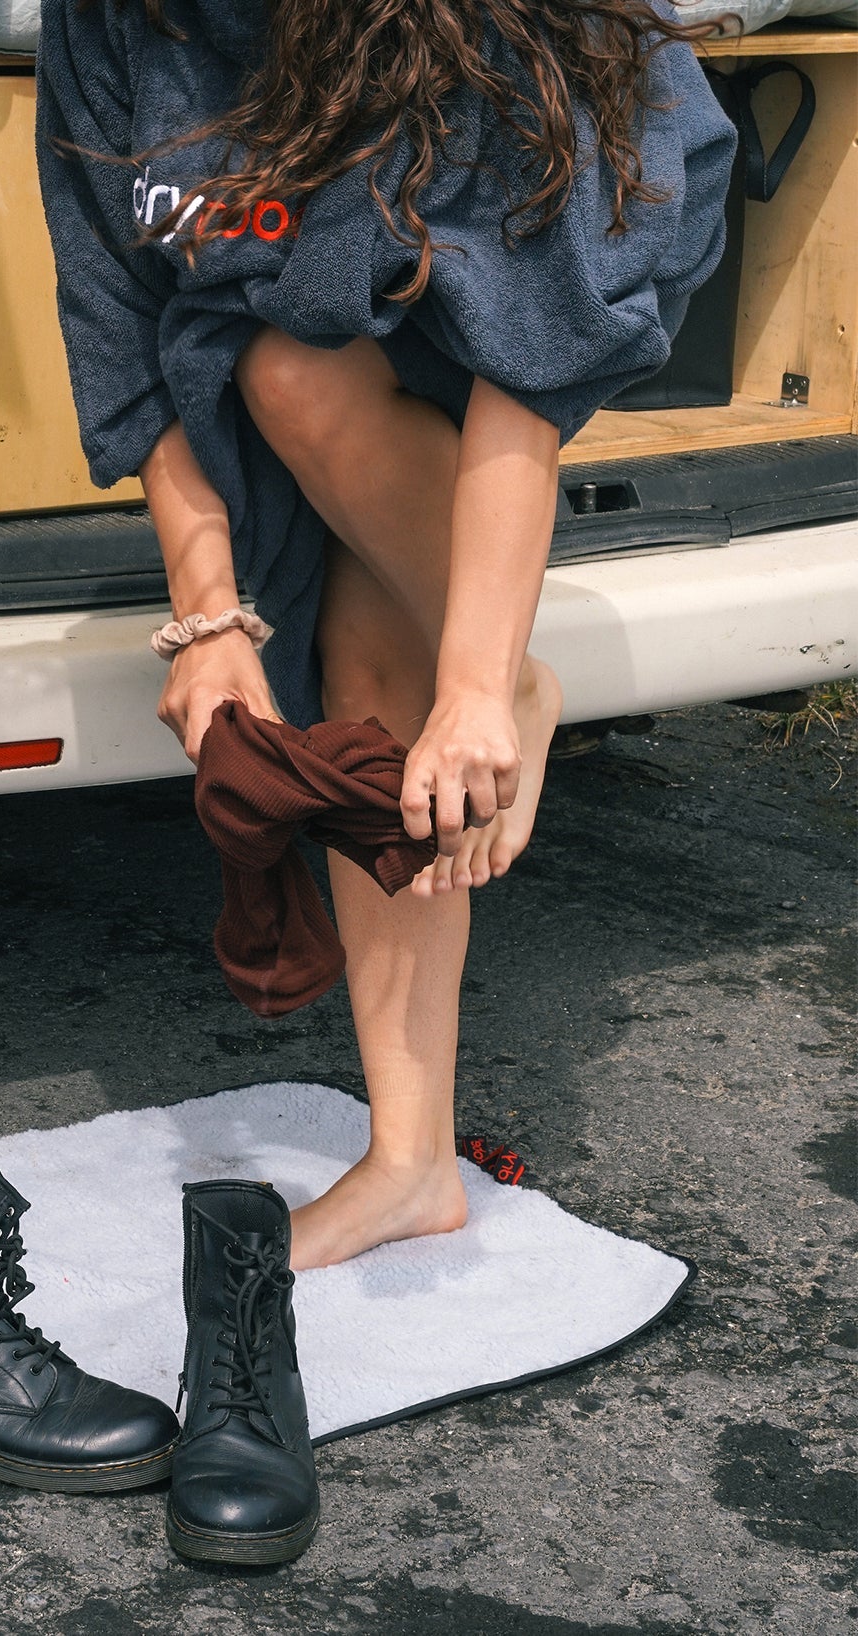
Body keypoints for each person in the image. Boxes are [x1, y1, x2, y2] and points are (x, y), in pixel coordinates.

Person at [36, 0, 736, 1271]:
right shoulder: (110, 20)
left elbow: (533, 357)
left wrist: (477, 681)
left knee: (295, 382)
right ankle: (412, 1166)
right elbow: (120, 322)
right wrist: (207, 621)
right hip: (312, 280)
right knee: (358, 663)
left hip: (564, 236)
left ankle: (518, 684)